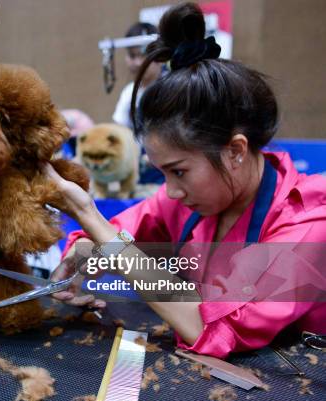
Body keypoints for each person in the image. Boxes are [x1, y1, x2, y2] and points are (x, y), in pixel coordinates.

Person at [44, 2, 326, 358]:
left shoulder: (308, 227)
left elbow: (210, 328)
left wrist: (88, 215)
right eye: (162, 173)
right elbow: (123, 230)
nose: (171, 191)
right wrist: (84, 254)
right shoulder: (191, 199)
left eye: (179, 171)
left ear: (235, 151)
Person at [111, 22, 163, 130]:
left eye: (144, 55)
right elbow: (118, 131)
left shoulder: (173, 88)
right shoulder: (129, 92)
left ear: (159, 54)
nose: (138, 63)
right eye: (132, 56)